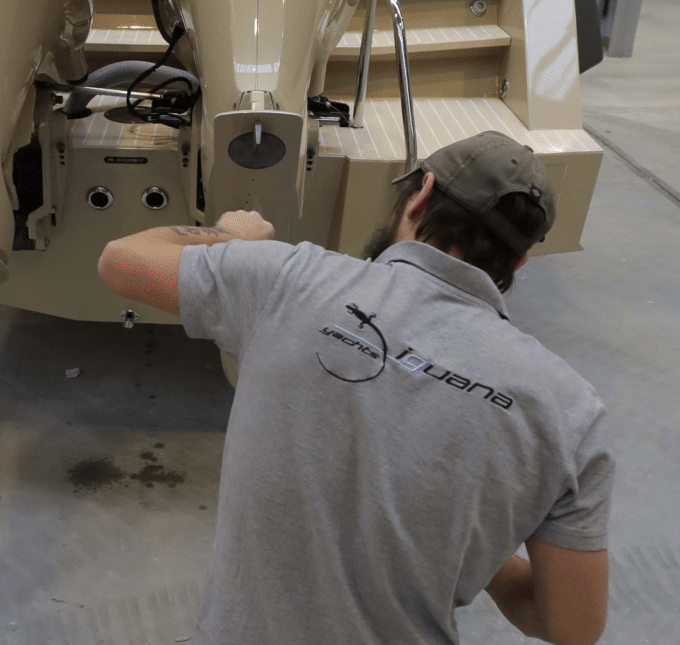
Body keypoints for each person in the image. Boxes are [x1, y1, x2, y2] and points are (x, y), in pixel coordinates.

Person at [98, 131, 613, 645]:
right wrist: (465, 539)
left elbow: (122, 260)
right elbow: (570, 626)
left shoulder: (288, 278)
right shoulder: (570, 411)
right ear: (518, 262)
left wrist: (230, 238)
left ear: (419, 194)